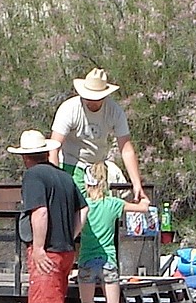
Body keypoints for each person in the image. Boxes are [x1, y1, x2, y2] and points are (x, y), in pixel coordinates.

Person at [12, 129, 85, 303]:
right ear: (45, 152)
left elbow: (40, 212)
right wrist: (70, 235)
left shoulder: (33, 176)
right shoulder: (64, 177)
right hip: (65, 250)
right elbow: (83, 210)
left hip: (48, 251)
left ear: (25, 157)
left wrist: (38, 247)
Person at [50, 69, 149, 206]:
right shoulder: (69, 109)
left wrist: (136, 184)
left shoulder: (114, 111)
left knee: (101, 208)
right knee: (75, 208)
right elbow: (54, 147)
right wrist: (56, 180)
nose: (92, 101)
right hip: (71, 163)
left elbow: (126, 149)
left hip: (98, 166)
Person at [77, 160, 129, 303]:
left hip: (86, 259)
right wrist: (141, 195)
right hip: (109, 260)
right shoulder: (113, 204)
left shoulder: (84, 206)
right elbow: (143, 207)